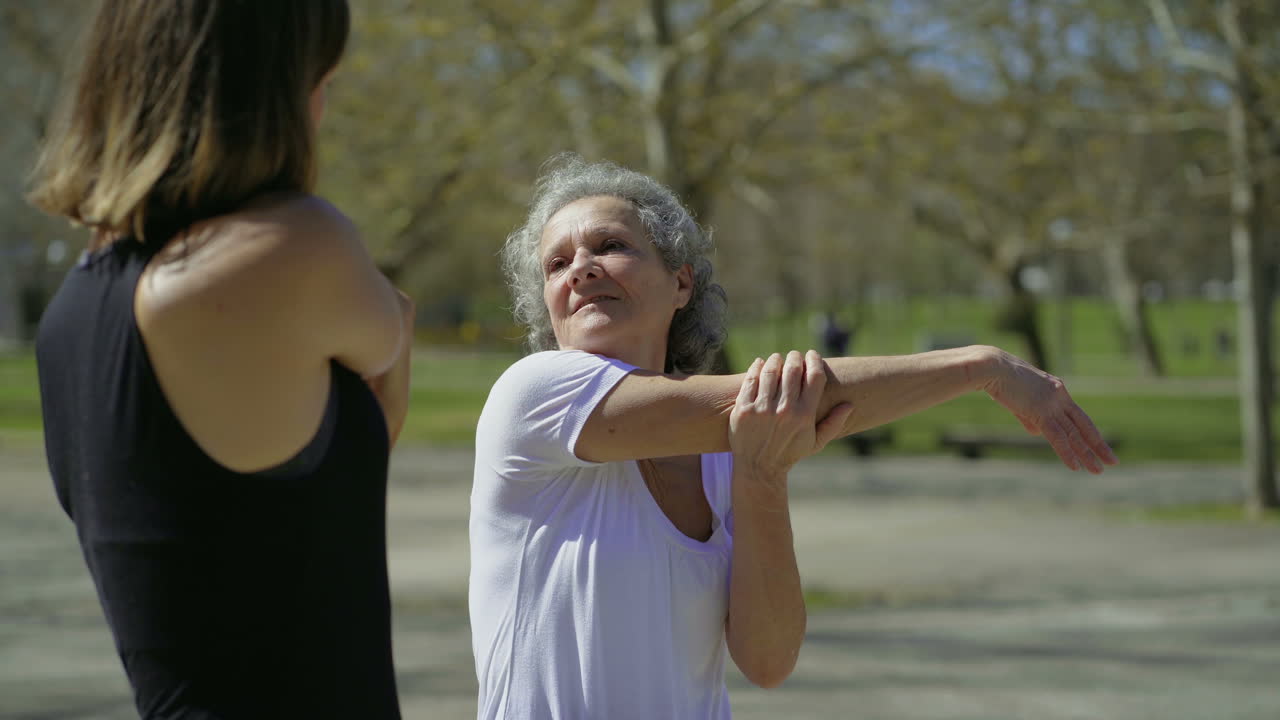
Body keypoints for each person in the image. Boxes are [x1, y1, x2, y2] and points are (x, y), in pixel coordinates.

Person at [469, 155, 1117, 719]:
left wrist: (760, 476)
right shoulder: (532, 398)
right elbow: (789, 397)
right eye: (557, 262)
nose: (581, 267)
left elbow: (768, 659)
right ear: (548, 306)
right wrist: (981, 368)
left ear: (682, 282)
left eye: (610, 246)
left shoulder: (729, 452)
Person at [27, 2, 411, 717]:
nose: (324, 108)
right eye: (320, 81)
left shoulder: (73, 313)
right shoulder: (291, 246)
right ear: (271, 95)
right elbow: (390, 336)